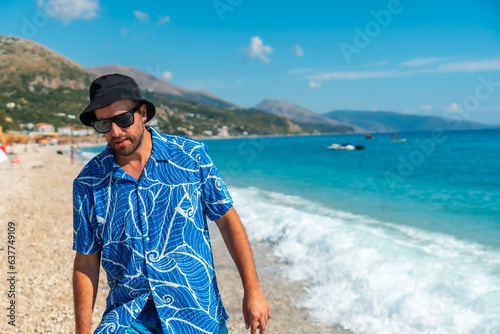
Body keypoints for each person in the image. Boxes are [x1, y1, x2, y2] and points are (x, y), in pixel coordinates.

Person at [72, 74, 270, 334]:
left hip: (197, 313)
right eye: (104, 124)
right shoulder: (88, 182)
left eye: (122, 119)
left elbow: (227, 221)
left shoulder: (190, 156)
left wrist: (253, 290)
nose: (115, 132)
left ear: (142, 113)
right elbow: (86, 261)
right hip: (128, 317)